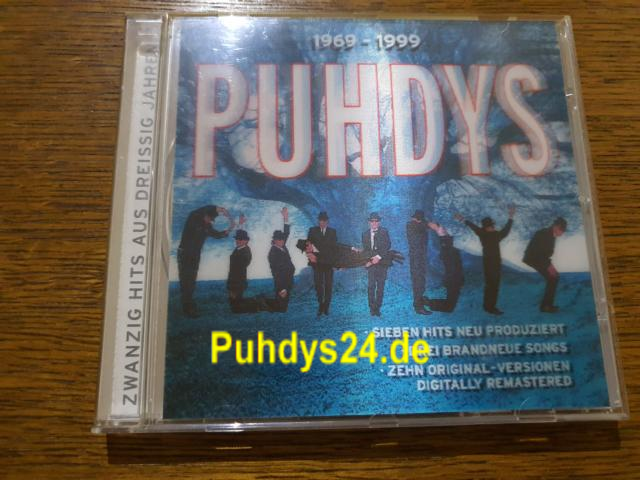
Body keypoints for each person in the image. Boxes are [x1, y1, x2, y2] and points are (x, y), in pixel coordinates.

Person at [455, 206, 515, 315]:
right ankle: (490, 307)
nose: (494, 227)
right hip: (493, 265)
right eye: (492, 225)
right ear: (488, 227)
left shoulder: (482, 233)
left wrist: (462, 219)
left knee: (490, 286)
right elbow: (506, 230)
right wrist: (511, 216)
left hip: (488, 264)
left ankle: (488, 306)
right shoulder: (495, 235)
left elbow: (472, 226)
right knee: (493, 286)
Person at [178, 204, 232, 317]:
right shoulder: (193, 217)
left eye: (212, 220)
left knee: (191, 281)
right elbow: (204, 209)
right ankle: (187, 308)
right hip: (185, 254)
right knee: (185, 280)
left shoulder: (207, 227)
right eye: (209, 219)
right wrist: (222, 209)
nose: (210, 222)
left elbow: (217, 235)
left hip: (195, 255)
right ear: (205, 215)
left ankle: (189, 306)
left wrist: (229, 229)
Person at [523, 217, 567, 313]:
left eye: (563, 231)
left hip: (540, 259)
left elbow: (546, 254)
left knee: (554, 277)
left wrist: (550, 266)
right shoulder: (544, 234)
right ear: (556, 227)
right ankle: (546, 306)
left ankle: (546, 305)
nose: (562, 233)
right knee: (553, 278)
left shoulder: (551, 234)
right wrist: (549, 266)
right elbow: (538, 253)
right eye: (562, 230)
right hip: (533, 258)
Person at [227, 216, 268, 314]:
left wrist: (233, 288)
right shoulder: (239, 248)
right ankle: (258, 301)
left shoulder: (245, 252)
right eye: (237, 239)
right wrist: (241, 224)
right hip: (233, 281)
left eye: (240, 239)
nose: (238, 241)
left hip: (238, 282)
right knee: (235, 305)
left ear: (246, 241)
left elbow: (240, 267)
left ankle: (258, 304)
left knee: (236, 308)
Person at [425, 222, 464, 313]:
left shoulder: (448, 245)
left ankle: (428, 302)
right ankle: (428, 302)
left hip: (453, 277)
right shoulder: (447, 245)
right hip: (453, 277)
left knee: (450, 305)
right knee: (450, 305)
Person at [307, 212, 338, 316]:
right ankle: (321, 305)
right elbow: (308, 245)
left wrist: (335, 264)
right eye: (320, 220)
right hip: (317, 263)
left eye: (324, 221)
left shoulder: (332, 232)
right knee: (318, 285)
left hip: (329, 263)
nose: (322, 222)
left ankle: (326, 307)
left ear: (327, 221)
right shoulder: (312, 230)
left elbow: (335, 249)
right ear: (318, 221)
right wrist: (310, 255)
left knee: (328, 285)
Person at [362, 212, 391, 317]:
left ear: (379, 222)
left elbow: (387, 246)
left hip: (382, 263)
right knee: (371, 286)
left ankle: (377, 308)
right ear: (369, 222)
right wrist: (367, 261)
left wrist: (378, 257)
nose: (374, 223)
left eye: (376, 221)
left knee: (380, 286)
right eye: (372, 221)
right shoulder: (365, 234)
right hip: (371, 264)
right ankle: (372, 308)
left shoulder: (384, 232)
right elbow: (366, 250)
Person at [268, 207, 295, 313]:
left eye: (282, 240)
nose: (282, 241)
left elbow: (286, 233)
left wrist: (285, 217)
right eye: (279, 240)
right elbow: (276, 272)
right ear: (274, 240)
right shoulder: (273, 253)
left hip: (288, 281)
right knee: (281, 308)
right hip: (282, 283)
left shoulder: (281, 246)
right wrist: (282, 288)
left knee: (283, 307)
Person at [406, 210, 431, 315]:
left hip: (421, 258)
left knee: (422, 281)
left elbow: (425, 226)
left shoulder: (420, 225)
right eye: (418, 219)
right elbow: (424, 226)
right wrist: (422, 221)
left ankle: (420, 300)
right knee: (418, 282)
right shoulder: (411, 225)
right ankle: (418, 306)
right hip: (416, 260)